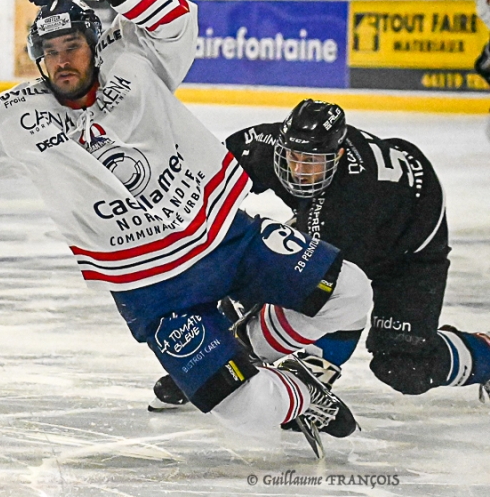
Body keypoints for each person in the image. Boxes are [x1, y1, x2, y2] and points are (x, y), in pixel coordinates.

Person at [0, 0, 373, 457]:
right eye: (50, 50)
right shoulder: (18, 115)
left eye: (72, 44)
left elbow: (179, 20)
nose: (62, 59)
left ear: (94, 44)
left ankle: (253, 346)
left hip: (225, 237)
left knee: (352, 292)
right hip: (153, 289)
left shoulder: (135, 62)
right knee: (249, 416)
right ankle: (298, 395)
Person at [150, 99, 490, 411]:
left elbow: (342, 305)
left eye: (311, 162)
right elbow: (204, 184)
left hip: (411, 237)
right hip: (341, 217)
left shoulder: (354, 206)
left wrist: (308, 367)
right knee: (256, 276)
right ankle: (217, 356)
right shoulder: (262, 146)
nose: (298, 170)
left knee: (403, 367)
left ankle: (485, 355)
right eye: (293, 157)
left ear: (338, 156)